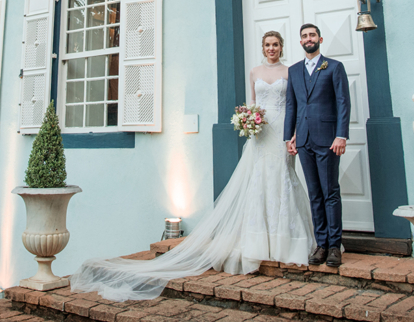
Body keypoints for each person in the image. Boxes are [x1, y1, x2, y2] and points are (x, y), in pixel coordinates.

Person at [69, 31, 314, 301]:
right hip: (261, 133)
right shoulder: (254, 72)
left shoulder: (292, 72)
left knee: (281, 178)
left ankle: (284, 241)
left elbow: (295, 105)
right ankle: (259, 241)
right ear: (262, 47)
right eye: (267, 45)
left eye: (275, 45)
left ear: (281, 47)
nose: (271, 49)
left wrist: (292, 135)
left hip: (281, 131)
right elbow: (252, 103)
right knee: (259, 182)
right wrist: (248, 120)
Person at [284, 23, 350, 268]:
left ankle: (334, 246)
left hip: (329, 140)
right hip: (303, 140)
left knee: (330, 192)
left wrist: (341, 135)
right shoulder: (293, 71)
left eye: (312, 35)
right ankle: (320, 244)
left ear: (320, 38)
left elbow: (343, 103)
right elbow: (292, 106)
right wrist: (289, 137)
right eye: (304, 36)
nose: (308, 39)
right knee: (314, 194)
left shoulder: (334, 67)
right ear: (300, 42)